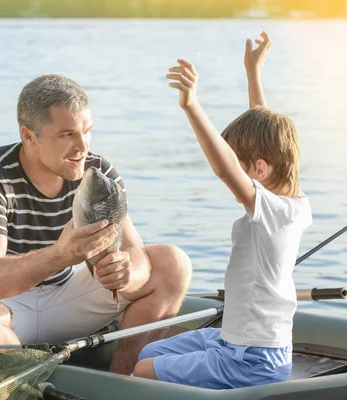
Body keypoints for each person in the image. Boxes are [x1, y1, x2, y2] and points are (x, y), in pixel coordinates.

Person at [0, 73, 193, 374]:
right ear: (28, 135)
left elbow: (136, 255)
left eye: (87, 131)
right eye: (66, 135)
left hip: (64, 300)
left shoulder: (99, 173)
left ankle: (118, 385)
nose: (82, 146)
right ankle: (28, 391)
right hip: (3, 309)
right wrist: (62, 255)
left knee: (172, 263)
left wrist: (128, 273)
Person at [133, 32, 313, 388]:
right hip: (235, 342)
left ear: (260, 170)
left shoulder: (272, 211)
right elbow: (264, 131)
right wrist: (253, 73)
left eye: (242, 166)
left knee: (141, 373)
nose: (233, 180)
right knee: (147, 356)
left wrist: (191, 106)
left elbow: (224, 168)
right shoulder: (293, 202)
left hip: (253, 360)